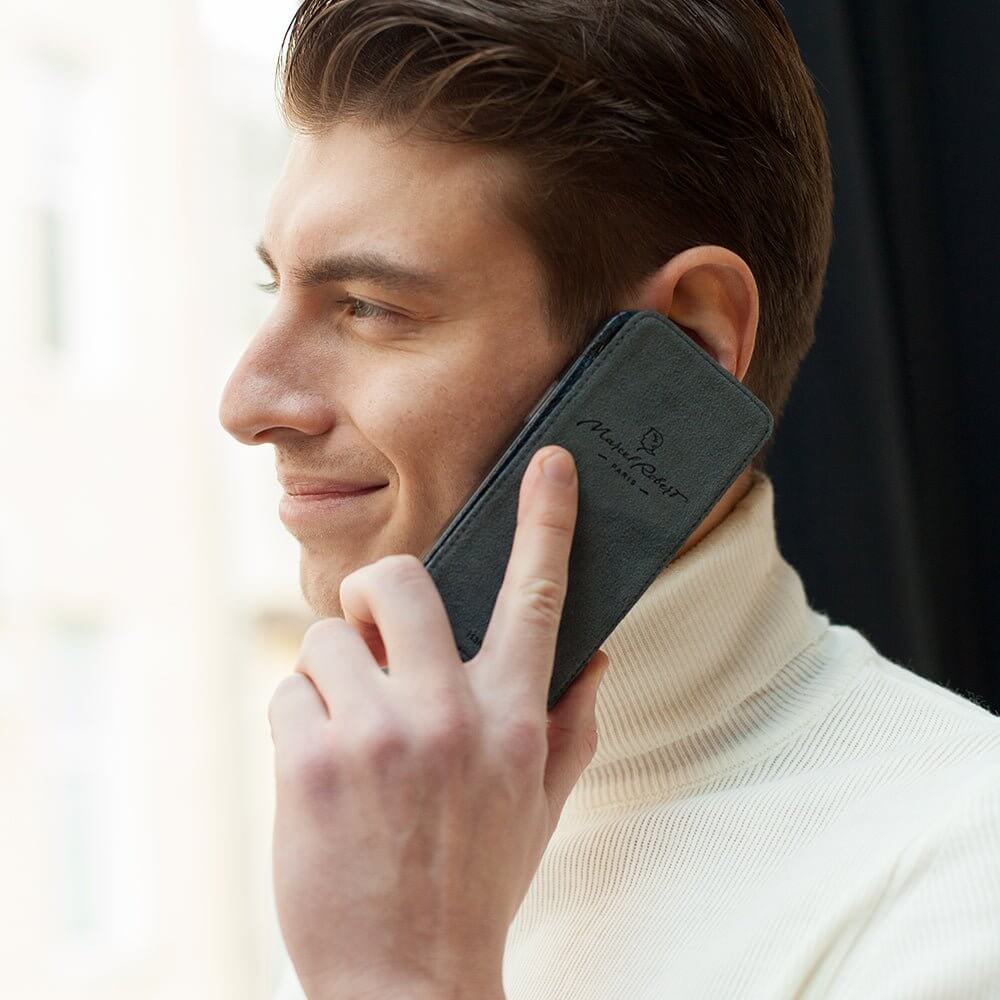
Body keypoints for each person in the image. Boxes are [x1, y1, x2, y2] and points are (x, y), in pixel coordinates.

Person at [218, 1, 1000, 997]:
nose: (248, 404)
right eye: (272, 291)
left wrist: (404, 978)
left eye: (369, 307)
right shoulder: (376, 810)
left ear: (689, 341)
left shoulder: (960, 875)